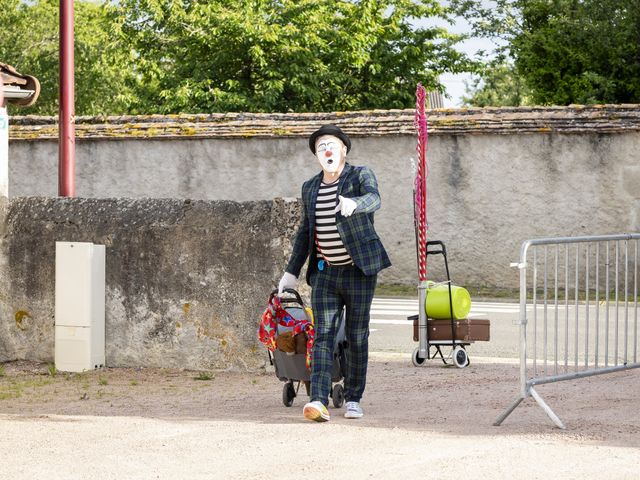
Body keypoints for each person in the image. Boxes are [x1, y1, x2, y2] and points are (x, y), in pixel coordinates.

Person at [278, 124, 391, 422]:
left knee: (356, 336)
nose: (326, 150)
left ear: (344, 149)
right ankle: (318, 399)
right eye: (320, 147)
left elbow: (374, 198)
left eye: (331, 144)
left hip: (359, 271)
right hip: (325, 273)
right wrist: (291, 272)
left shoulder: (360, 174)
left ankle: (354, 397)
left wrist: (355, 204)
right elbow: (305, 232)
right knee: (322, 335)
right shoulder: (310, 187)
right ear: (316, 155)